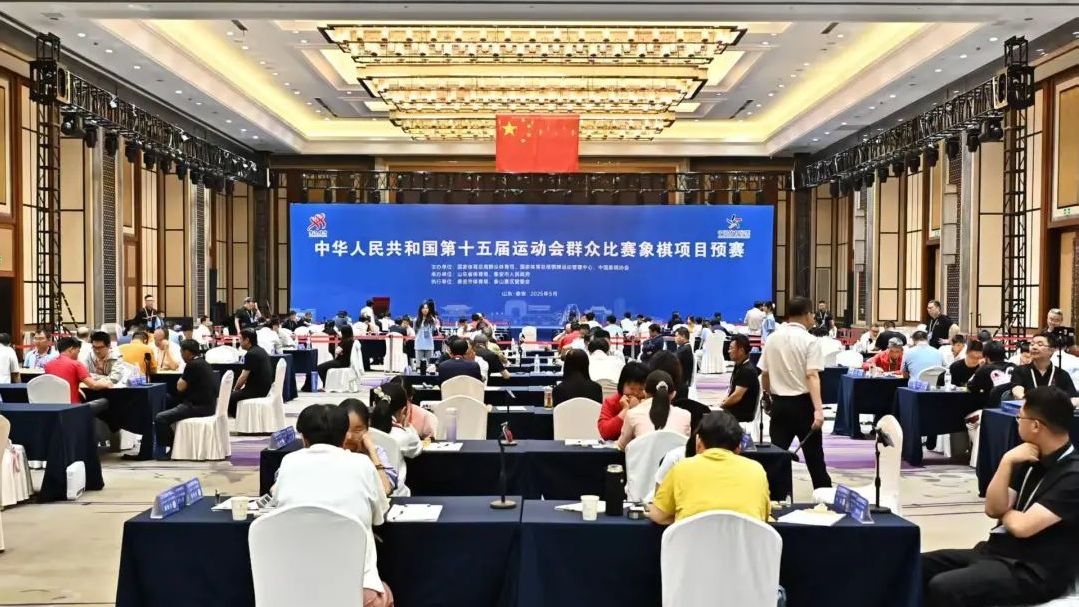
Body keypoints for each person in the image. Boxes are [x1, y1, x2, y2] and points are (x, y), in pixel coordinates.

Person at [922, 387, 1079, 607]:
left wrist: (1007, 512)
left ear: (1035, 426)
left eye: (1020, 418)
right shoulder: (1027, 456)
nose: (1017, 422)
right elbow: (993, 509)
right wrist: (1006, 461)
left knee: (944, 586)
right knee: (918, 566)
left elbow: (1023, 527)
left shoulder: (1073, 475)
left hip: (1036, 569)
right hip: (998, 552)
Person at [272, 404, 393, 607]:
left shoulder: (288, 462)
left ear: (303, 438)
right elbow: (378, 517)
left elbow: (277, 503)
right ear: (344, 436)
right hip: (356, 592)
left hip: (294, 590)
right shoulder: (362, 464)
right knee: (384, 594)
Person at [760, 295, 832, 489]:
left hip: (779, 405)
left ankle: (772, 498)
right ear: (807, 315)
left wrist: (767, 396)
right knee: (815, 459)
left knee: (776, 457)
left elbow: (764, 374)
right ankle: (824, 497)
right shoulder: (810, 341)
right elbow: (812, 375)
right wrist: (818, 410)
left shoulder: (772, 338)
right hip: (803, 406)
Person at [648, 410, 770, 524]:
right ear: (738, 448)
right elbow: (762, 518)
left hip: (692, 540)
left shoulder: (682, 468)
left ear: (698, 442)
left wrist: (683, 519)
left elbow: (659, 516)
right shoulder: (756, 470)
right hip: (744, 540)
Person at [153, 340, 218, 459]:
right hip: (209, 405)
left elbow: (180, 387)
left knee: (160, 418)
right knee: (168, 401)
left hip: (196, 406)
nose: (181, 355)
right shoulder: (204, 363)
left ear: (187, 352)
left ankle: (171, 448)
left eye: (181, 352)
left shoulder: (192, 365)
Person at [369, 383, 423, 495]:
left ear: (374, 405)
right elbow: (418, 448)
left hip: (371, 494)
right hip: (396, 496)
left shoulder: (364, 433)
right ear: (404, 411)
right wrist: (407, 426)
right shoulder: (403, 436)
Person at [617, 370, 691, 450]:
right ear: (673, 394)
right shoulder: (686, 415)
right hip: (675, 458)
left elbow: (622, 446)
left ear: (645, 392)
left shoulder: (632, 414)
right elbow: (686, 446)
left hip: (642, 458)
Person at [337, 398, 397, 496]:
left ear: (367, 426)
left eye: (357, 430)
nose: (349, 437)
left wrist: (372, 452)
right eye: (345, 429)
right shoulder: (330, 452)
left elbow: (386, 489)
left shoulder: (376, 452)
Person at [45, 336, 113, 404]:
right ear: (71, 349)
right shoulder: (76, 364)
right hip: (72, 407)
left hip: (52, 406)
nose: (78, 355)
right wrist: (107, 384)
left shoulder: (48, 365)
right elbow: (94, 385)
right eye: (78, 351)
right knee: (104, 402)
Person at [1012, 333, 1079, 400]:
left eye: (1040, 344)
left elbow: (1073, 398)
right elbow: (1017, 390)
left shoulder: (1062, 374)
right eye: (1032, 344)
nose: (1034, 347)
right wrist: (1023, 397)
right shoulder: (1020, 370)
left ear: (1052, 350)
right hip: (1028, 405)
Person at [597, 361, 649, 441]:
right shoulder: (611, 402)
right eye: (632, 388)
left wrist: (639, 408)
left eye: (641, 389)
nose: (636, 393)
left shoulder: (650, 401)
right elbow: (605, 433)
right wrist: (626, 410)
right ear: (622, 385)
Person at [229, 328, 273, 417]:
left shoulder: (251, 354)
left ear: (247, 340)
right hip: (265, 388)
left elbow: (243, 377)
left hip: (256, 390)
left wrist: (235, 390)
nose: (239, 342)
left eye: (240, 339)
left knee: (230, 398)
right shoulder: (261, 350)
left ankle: (240, 418)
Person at [722, 334, 760, 422]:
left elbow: (737, 396)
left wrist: (722, 405)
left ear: (741, 350)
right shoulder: (740, 366)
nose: (728, 351)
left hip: (741, 414)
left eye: (731, 348)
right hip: (736, 410)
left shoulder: (747, 370)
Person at [387, 375, 438, 440]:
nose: (398, 407)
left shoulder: (427, 418)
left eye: (402, 402)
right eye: (394, 401)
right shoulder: (380, 414)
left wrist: (407, 429)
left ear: (411, 397)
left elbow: (429, 444)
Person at [968, 341, 1016, 405]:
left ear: (986, 357)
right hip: (1014, 406)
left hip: (992, 407)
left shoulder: (984, 369)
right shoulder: (1014, 366)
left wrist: (980, 368)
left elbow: (971, 386)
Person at [415, 302, 439, 375]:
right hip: (419, 343)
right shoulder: (416, 320)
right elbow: (415, 331)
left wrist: (434, 321)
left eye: (427, 308)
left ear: (429, 309)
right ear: (420, 309)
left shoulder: (432, 319)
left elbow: (434, 330)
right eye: (423, 308)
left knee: (429, 364)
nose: (425, 310)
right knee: (419, 365)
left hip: (429, 343)